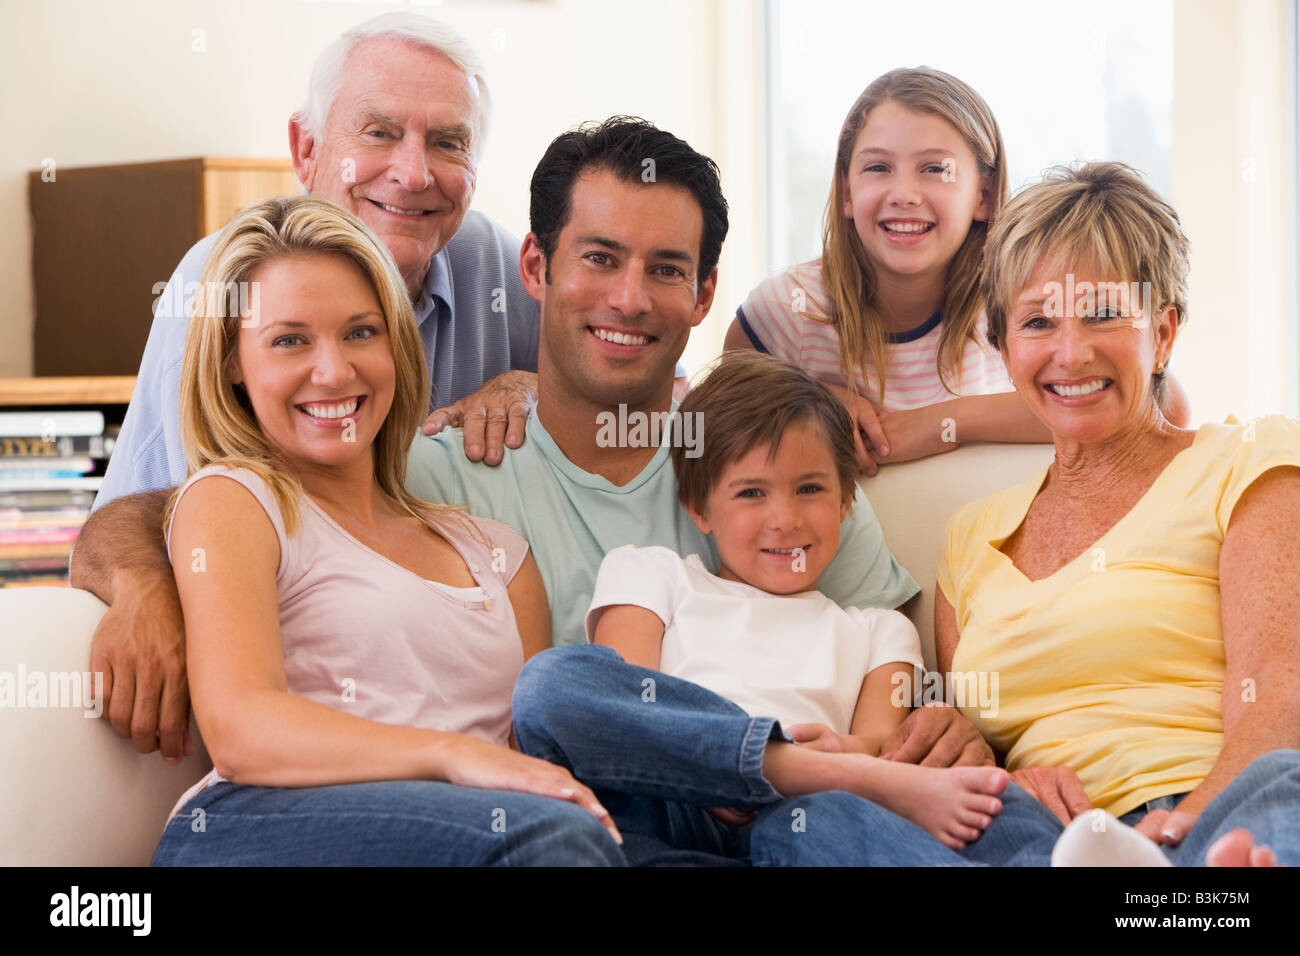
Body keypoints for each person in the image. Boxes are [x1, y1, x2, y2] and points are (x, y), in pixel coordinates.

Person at [72, 12, 539, 761]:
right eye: (379, 132)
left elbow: (655, 402)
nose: (415, 172)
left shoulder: (501, 268)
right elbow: (128, 512)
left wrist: (535, 387)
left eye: (448, 142)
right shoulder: (221, 284)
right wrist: (146, 586)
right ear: (307, 148)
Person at [832, 162, 1300, 866]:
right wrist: (995, 768)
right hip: (1045, 841)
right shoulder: (971, 541)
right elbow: (982, 748)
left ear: (1164, 334)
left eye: (1105, 313)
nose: (1070, 352)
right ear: (1005, 347)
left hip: (1215, 812)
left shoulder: (1247, 460)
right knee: (821, 819)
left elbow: (1280, 696)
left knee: (1282, 782)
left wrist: (1174, 833)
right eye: (1039, 321)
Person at [151, 195, 622, 866]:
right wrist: (452, 755)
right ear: (233, 362)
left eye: (360, 333)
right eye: (290, 340)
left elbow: (524, 767)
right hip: (254, 825)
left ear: (397, 346)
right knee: (547, 837)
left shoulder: (496, 555)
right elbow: (241, 728)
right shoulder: (235, 501)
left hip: (465, 839)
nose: (334, 370)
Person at [511, 351, 1010, 865]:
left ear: (846, 503)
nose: (784, 519)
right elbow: (630, 707)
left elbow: (883, 748)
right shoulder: (652, 573)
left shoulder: (878, 629)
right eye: (751, 492)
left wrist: (844, 758)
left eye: (810, 489)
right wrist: (728, 767)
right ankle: (774, 766)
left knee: (953, 808)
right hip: (666, 800)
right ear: (699, 508)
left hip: (800, 813)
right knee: (550, 682)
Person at [724, 68, 1190, 475]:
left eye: (934, 169)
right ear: (846, 192)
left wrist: (943, 423)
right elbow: (719, 437)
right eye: (878, 167)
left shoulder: (1021, 310)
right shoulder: (785, 312)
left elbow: (1161, 404)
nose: (904, 192)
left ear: (983, 196)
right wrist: (807, 402)